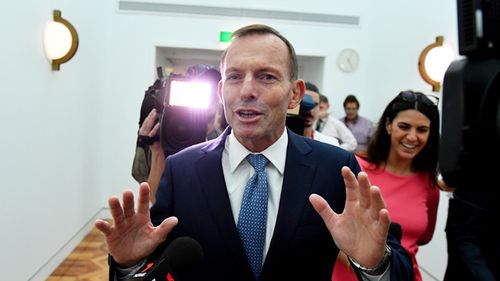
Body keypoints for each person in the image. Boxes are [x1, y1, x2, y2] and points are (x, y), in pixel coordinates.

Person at [95, 24, 414, 281]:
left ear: (294, 95)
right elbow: (149, 268)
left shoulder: (334, 167)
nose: (247, 90)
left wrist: (374, 264)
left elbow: (395, 267)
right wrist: (129, 266)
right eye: (234, 77)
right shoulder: (183, 170)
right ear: (221, 92)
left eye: (266, 76)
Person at [332, 90, 441, 281]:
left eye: (422, 130)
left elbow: (423, 237)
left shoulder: (428, 183)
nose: (412, 137)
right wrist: (365, 267)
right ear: (389, 125)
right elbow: (328, 228)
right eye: (404, 126)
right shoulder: (355, 168)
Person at [138, 65, 227, 203]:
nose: (209, 98)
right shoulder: (164, 135)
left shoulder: (223, 142)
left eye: (211, 91)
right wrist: (157, 151)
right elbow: (156, 200)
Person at [301, 81, 340, 146]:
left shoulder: (329, 144)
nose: (311, 110)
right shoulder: (281, 140)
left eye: (315, 104)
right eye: (305, 104)